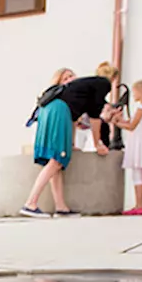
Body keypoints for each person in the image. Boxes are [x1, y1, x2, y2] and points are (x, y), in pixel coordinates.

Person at [20, 63, 118, 219]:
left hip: (49, 111)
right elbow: (94, 118)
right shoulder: (102, 84)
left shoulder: (76, 92)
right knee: (56, 161)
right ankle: (30, 203)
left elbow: (72, 120)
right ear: (113, 79)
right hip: (59, 111)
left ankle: (61, 207)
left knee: (56, 162)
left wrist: (71, 145)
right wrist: (98, 143)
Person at [114, 79, 142, 215]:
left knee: (137, 174)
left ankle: (139, 205)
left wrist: (116, 123)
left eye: (135, 92)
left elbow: (132, 126)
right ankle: (139, 204)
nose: (133, 95)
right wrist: (121, 121)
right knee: (139, 174)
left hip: (138, 142)